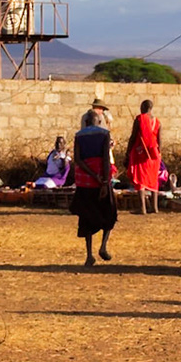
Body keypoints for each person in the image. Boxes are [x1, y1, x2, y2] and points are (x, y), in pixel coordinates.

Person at [70, 109, 118, 266]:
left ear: (86, 122)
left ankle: (89, 255)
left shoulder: (79, 135)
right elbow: (105, 159)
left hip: (84, 182)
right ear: (99, 122)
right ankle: (103, 246)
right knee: (109, 212)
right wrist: (104, 181)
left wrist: (91, 173)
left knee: (86, 217)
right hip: (101, 180)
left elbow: (78, 159)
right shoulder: (104, 134)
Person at [126, 100, 163, 214]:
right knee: (153, 179)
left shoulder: (139, 119)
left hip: (140, 153)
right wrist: (158, 153)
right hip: (154, 154)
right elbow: (160, 140)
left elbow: (133, 137)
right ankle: (154, 207)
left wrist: (127, 152)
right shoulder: (157, 122)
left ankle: (142, 208)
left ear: (143, 107)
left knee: (140, 178)